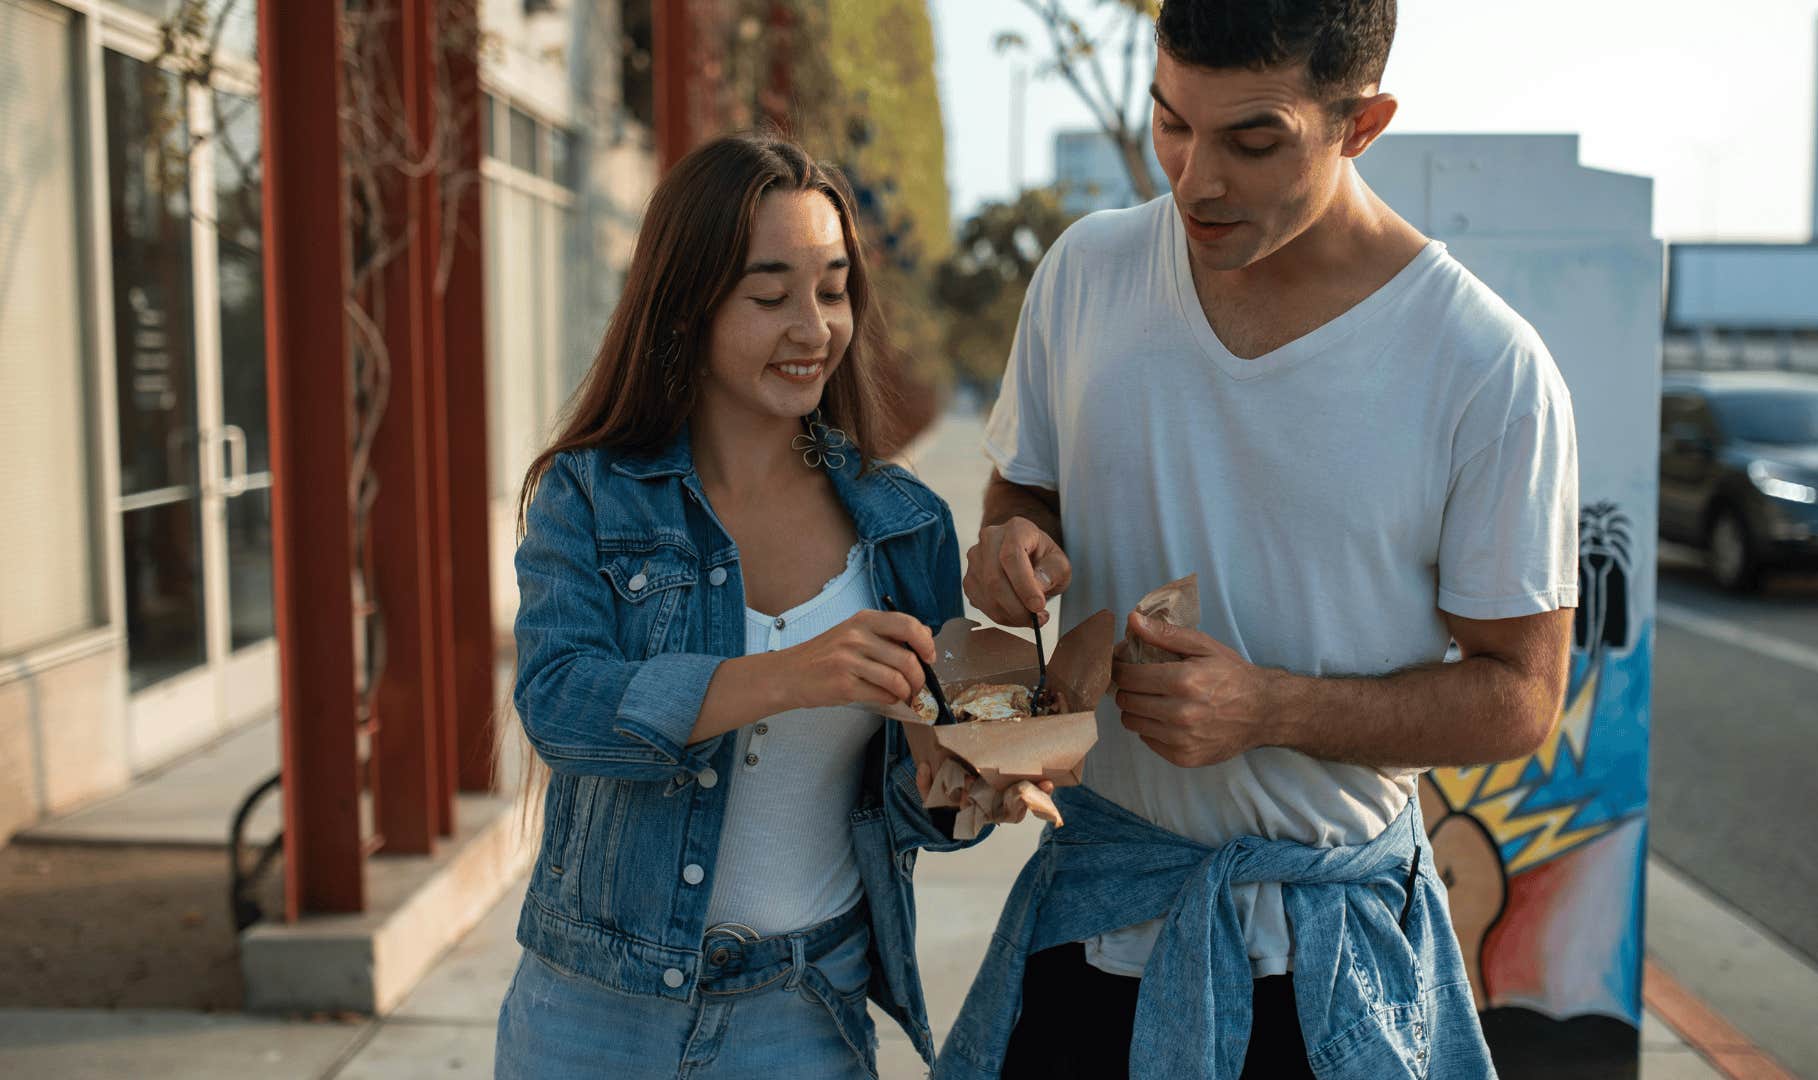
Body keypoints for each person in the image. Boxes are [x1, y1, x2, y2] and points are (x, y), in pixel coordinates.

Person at [940, 2, 1578, 1078]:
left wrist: (1270, 708)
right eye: (1171, 122)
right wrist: (1011, 547)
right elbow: (1022, 496)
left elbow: (1521, 693)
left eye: (1252, 140)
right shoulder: (1087, 273)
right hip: (1093, 915)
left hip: (1324, 969)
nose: (1195, 179)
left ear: (1361, 125)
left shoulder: (1483, 367)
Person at [494, 132, 1026, 1079]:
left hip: (801, 1015)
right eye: (770, 294)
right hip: (593, 1016)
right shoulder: (590, 495)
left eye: (832, 290)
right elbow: (562, 707)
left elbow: (915, 794)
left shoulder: (905, 527)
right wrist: (786, 676)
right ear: (687, 304)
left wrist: (976, 786)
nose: (814, 328)